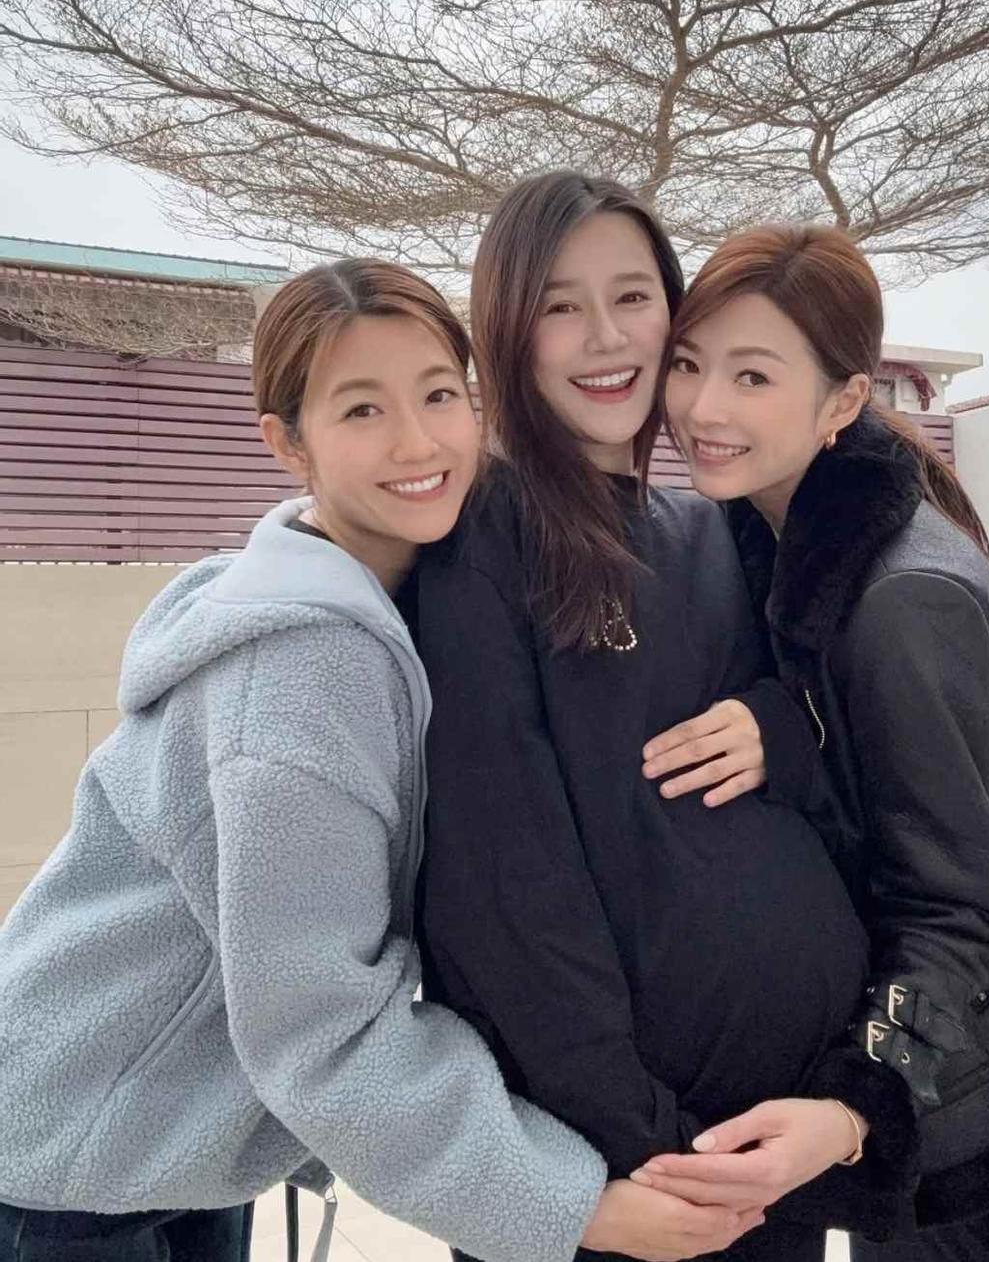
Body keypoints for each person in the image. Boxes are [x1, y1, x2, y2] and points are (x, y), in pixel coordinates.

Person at [0, 259, 742, 1262]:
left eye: (438, 394)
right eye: (361, 410)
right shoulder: (301, 673)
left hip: (175, 1140)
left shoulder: (409, 594)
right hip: (74, 1158)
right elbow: (325, 1022)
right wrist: (569, 1203)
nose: (416, 442)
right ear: (287, 443)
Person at [635, 224, 989, 1262]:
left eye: (753, 376)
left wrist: (857, 1103)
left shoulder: (902, 600)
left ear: (841, 401)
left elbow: (962, 909)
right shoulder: (782, 537)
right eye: (690, 365)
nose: (703, 408)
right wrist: (788, 722)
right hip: (951, 1106)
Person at [416, 174, 918, 1262]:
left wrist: (781, 727)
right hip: (638, 1173)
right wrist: (642, 1145)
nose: (605, 336)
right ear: (507, 326)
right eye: (559, 304)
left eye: (633, 297)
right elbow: (501, 883)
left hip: (771, 1146)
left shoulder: (708, 525)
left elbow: (828, 740)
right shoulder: (486, 535)